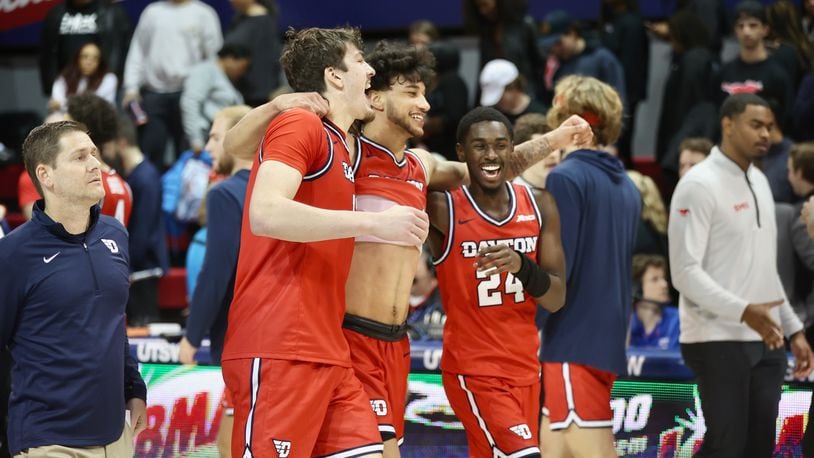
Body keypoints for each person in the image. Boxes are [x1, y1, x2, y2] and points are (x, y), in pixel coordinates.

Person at [222, 40, 590, 457]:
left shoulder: (420, 164)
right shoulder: (346, 148)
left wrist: (556, 137)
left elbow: (492, 168)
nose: (426, 104)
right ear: (375, 99)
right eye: (412, 93)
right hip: (346, 336)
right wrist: (276, 107)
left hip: (396, 345)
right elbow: (239, 149)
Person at [220, 27, 429, 458]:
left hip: (330, 348)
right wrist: (375, 224)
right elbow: (265, 213)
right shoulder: (301, 123)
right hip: (280, 342)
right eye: (361, 61)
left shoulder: (344, 142)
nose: (371, 70)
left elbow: (236, 143)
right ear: (335, 76)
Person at [668, 93, 814, 457]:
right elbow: (684, 273)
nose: (765, 133)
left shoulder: (761, 181)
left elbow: (765, 269)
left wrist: (793, 328)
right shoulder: (697, 185)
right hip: (715, 336)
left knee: (759, 447)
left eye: (769, 126)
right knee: (726, 445)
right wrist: (744, 309)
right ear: (728, 125)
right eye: (755, 125)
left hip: (766, 336)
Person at [426, 106, 566, 457]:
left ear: (512, 149)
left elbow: (557, 298)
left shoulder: (540, 205)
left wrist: (521, 265)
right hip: (474, 370)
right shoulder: (444, 208)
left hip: (526, 369)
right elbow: (412, 172)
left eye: (500, 145)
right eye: (479, 146)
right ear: (461, 152)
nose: (491, 155)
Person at [0, 121, 146, 456]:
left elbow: (112, 321)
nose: (96, 164)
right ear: (46, 175)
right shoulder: (13, 255)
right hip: (48, 440)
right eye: (80, 157)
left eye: (94, 153)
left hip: (115, 436)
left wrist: (134, 387)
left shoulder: (115, 235)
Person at [538, 75, 641, 458]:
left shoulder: (565, 177)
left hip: (571, 340)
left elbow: (558, 273)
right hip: (609, 338)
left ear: (567, 120)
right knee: (554, 445)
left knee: (591, 449)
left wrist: (529, 327)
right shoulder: (627, 186)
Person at [178, 105, 251, 457]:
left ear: (240, 139)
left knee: (233, 443)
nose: (207, 148)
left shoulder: (225, 194)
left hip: (243, 343)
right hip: (283, 340)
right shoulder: (288, 192)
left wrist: (192, 337)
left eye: (216, 137)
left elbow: (216, 271)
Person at [122, 0, 223, 167]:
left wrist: (210, 91)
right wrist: (131, 87)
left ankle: (184, 193)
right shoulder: (152, 12)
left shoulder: (204, 14)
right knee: (151, 151)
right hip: (153, 93)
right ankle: (152, 192)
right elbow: (138, 51)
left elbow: (213, 58)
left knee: (188, 154)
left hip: (188, 94)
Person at [102, 114, 169, 327]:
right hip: (136, 266)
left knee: (143, 329)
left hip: (144, 269)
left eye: (109, 143)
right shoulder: (135, 176)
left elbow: (143, 229)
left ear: (120, 141)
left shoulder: (146, 177)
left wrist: (125, 262)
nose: (106, 150)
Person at [39, 0, 131, 98]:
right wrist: (52, 87)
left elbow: (119, 51)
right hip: (67, 86)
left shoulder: (112, 12)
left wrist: (112, 83)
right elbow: (47, 54)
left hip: (103, 86)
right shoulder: (56, 14)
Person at [180, 44, 250, 154]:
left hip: (220, 138)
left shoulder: (226, 78)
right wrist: (196, 140)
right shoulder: (205, 70)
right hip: (203, 137)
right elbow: (190, 102)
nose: (242, 73)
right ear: (230, 58)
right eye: (242, 67)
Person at [224, 0, 281, 107]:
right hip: (236, 91)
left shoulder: (264, 22)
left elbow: (268, 62)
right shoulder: (238, 19)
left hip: (256, 98)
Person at [48, 42, 118, 114]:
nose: (89, 62)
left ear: (100, 62)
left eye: (95, 58)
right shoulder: (64, 78)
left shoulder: (109, 79)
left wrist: (62, 105)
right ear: (77, 59)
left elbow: (98, 108)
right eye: (85, 57)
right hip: (67, 121)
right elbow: (55, 104)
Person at [629, 254, 680, 350]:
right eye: (655, 279)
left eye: (664, 278)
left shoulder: (677, 320)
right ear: (637, 287)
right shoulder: (626, 321)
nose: (664, 284)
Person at [479, 59, 548, 125]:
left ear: (513, 87)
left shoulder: (540, 115)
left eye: (499, 97)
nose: (497, 102)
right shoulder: (493, 117)